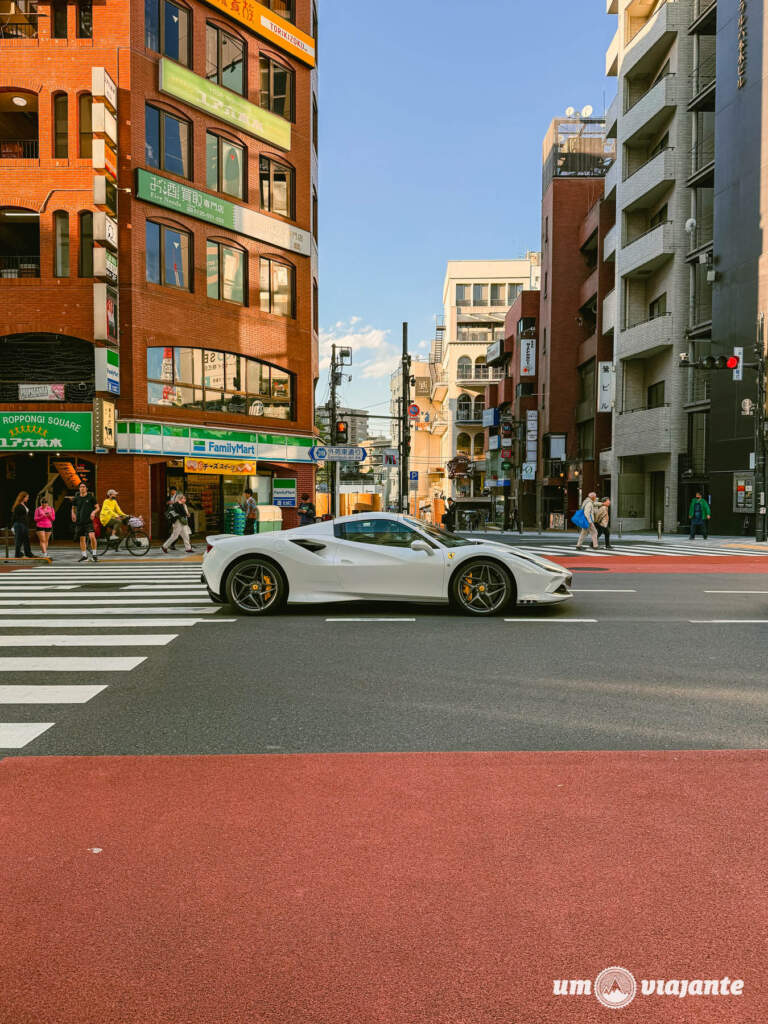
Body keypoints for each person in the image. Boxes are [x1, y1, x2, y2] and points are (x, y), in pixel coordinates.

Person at [71, 482, 99, 562]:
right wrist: (72, 514)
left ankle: (94, 555)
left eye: (83, 487)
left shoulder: (91, 497)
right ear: (79, 488)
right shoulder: (76, 498)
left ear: (86, 488)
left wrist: (93, 512)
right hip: (79, 521)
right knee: (82, 538)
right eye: (80, 487)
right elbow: (73, 508)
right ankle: (84, 555)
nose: (82, 488)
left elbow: (97, 508)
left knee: (92, 537)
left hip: (88, 521)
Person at [11, 491, 33, 558]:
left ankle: (28, 553)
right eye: (27, 497)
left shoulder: (23, 505)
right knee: (19, 540)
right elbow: (14, 516)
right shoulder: (18, 506)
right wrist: (12, 526)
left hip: (24, 524)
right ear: (23, 497)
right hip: (19, 524)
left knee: (26, 539)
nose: (28, 498)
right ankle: (17, 554)